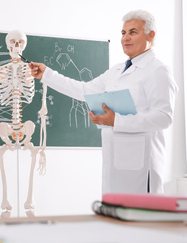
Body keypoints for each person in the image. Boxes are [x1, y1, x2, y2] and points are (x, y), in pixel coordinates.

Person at [29, 10, 178, 194]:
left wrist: (116, 121)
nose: (125, 38)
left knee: (138, 218)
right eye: (123, 33)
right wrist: (47, 75)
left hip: (141, 168)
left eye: (133, 32)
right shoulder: (116, 71)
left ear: (151, 35)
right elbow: (83, 90)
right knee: (113, 217)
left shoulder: (158, 71)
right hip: (115, 164)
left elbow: (163, 118)